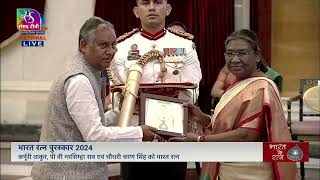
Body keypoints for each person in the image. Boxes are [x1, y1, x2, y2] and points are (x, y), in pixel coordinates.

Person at [31, 16, 160, 180]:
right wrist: (139, 133)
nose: (111, 51)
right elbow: (96, 137)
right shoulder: (79, 80)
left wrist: (119, 111)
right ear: (83, 45)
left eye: (113, 45)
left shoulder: (90, 72)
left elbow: (91, 123)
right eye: (103, 45)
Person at [170, 29, 297, 180]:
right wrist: (203, 118)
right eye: (230, 53)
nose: (235, 59)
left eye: (242, 53)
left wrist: (199, 140)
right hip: (227, 165)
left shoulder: (261, 86)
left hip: (248, 171)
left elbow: (247, 135)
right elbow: (230, 125)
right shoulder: (238, 84)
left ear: (257, 55)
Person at [109, 0, 202, 179]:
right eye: (145, 3)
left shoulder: (184, 44)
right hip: (135, 131)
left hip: (173, 131)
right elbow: (115, 92)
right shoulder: (122, 47)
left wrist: (167, 108)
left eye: (158, 2)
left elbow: (193, 88)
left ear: (168, 9)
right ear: (136, 11)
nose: (151, 7)